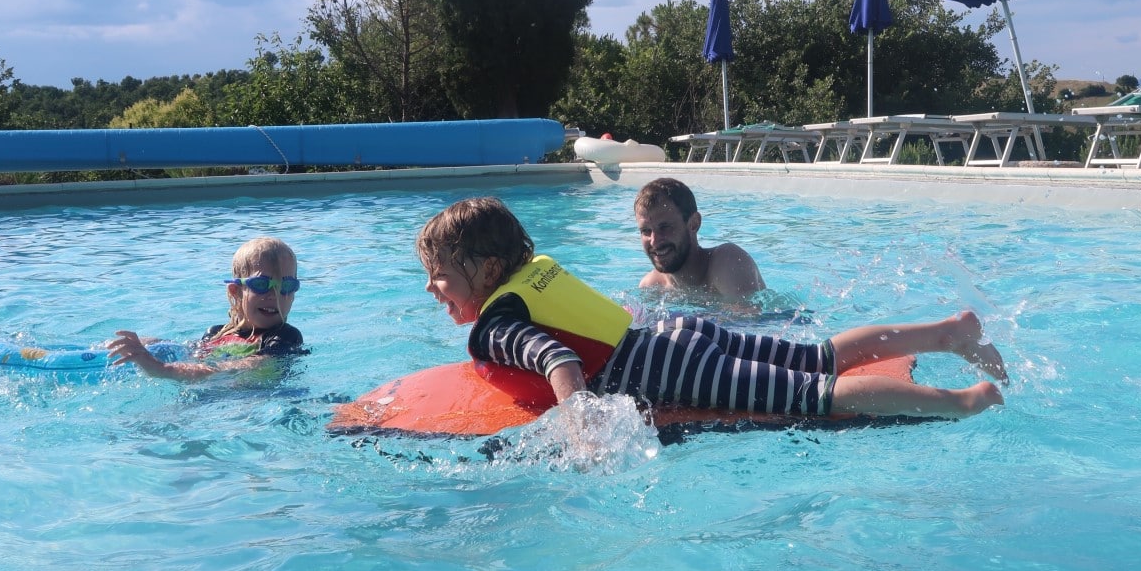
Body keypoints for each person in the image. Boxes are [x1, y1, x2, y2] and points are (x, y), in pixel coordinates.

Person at [416, 197, 1006, 426]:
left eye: (440, 274)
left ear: (488, 269)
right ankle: (948, 332)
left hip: (673, 372)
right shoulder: (534, 270)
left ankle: (965, 402)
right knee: (822, 356)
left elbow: (558, 358)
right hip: (681, 334)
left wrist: (582, 427)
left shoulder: (496, 323)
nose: (432, 289)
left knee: (817, 397)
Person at [107, 237, 307, 381]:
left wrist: (162, 369)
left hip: (252, 404)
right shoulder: (216, 333)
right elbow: (187, 352)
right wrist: (145, 345)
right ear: (236, 291)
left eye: (286, 286)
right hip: (209, 397)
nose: (274, 295)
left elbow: (248, 367)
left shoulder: (285, 337)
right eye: (262, 285)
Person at [634, 178, 765, 302]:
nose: (654, 241)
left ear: (694, 224)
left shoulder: (727, 262)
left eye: (665, 227)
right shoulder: (651, 288)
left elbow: (749, 321)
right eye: (646, 231)